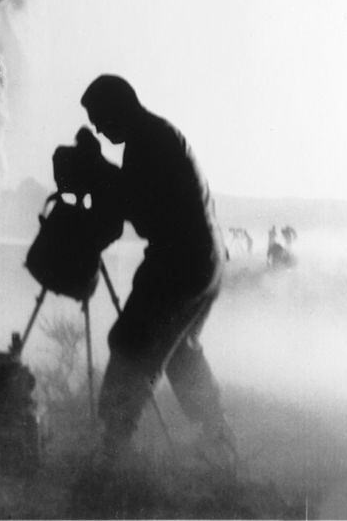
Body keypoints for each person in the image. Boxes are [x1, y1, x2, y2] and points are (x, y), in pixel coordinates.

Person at [79, 74, 235, 469]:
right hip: (206, 258)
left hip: (181, 260)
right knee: (180, 350)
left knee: (130, 343)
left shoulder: (147, 142)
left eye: (99, 119)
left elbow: (143, 215)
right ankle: (217, 440)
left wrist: (100, 173)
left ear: (118, 108)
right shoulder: (155, 136)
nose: (98, 129)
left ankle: (114, 452)